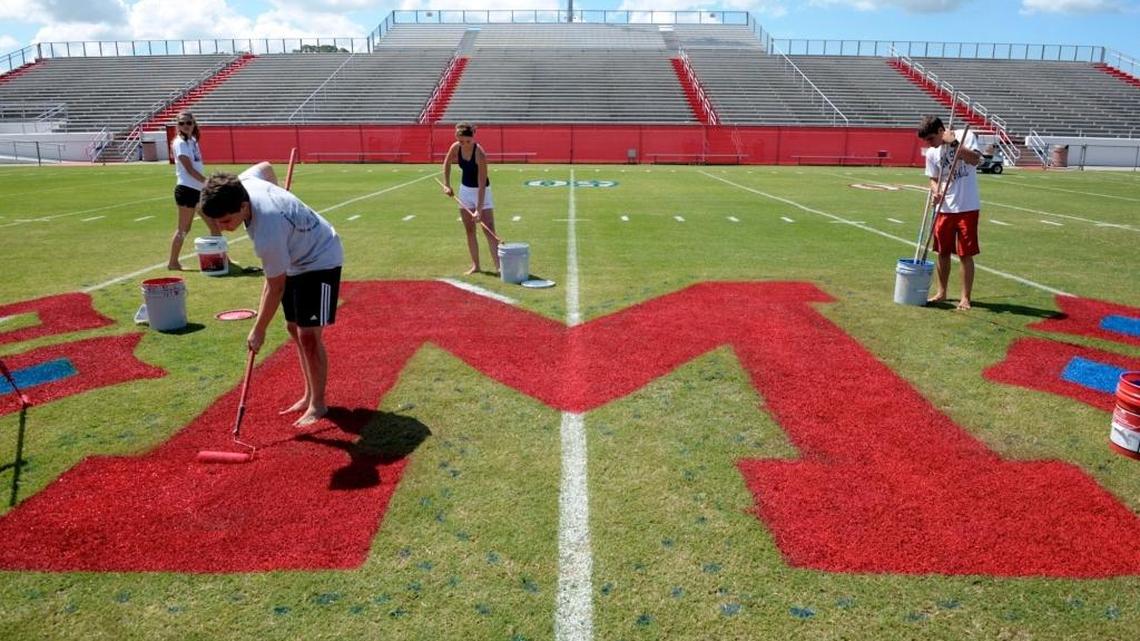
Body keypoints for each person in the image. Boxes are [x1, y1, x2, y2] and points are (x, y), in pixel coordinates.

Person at [198, 162, 344, 427]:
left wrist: (259, 329)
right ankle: (308, 394)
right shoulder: (242, 183)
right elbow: (265, 167)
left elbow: (274, 286)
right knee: (292, 327)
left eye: (227, 221)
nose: (224, 227)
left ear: (243, 206)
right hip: (294, 256)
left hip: (321, 257)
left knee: (308, 335)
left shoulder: (267, 230)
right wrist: (278, 191)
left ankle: (318, 404)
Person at [918, 115, 983, 311]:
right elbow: (933, 178)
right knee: (943, 252)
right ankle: (942, 292)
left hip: (967, 206)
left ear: (940, 131)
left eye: (931, 138)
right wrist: (935, 190)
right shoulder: (932, 153)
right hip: (944, 209)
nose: (929, 144)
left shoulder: (966, 136)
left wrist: (954, 143)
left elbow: (975, 160)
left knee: (965, 254)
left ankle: (965, 297)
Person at [441, 122, 500, 274]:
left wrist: (479, 210)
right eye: (461, 141)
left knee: (489, 230)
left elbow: (481, 183)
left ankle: (499, 267)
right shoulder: (455, 148)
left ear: (473, 137)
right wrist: (447, 185)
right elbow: (446, 163)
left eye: (468, 141)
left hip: (483, 192)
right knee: (469, 230)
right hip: (465, 191)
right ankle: (476, 266)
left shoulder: (479, 153)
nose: (464, 144)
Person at [167, 110, 220, 270]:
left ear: (193, 124)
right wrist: (207, 183)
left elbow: (196, 166)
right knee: (184, 229)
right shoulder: (180, 143)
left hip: (197, 190)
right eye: (181, 123)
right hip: (187, 190)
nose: (185, 126)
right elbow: (189, 169)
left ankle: (223, 259)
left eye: (188, 123)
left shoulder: (193, 140)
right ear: (178, 125)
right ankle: (173, 262)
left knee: (213, 225)